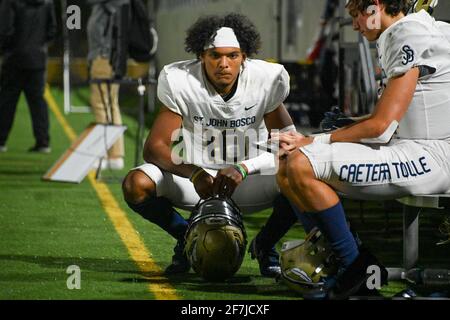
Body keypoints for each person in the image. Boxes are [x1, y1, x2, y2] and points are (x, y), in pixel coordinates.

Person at [275, 0, 450, 299]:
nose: (355, 24)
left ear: (376, 5)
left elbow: (382, 127)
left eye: (357, 14)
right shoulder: (411, 30)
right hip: (412, 145)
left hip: (432, 154)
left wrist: (315, 141)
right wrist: (335, 130)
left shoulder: (407, 33)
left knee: (300, 163)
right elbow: (394, 118)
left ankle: (353, 268)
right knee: (287, 164)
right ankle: (351, 262)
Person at [122, 13, 300, 277]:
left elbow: (289, 144)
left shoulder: (266, 78)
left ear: (245, 57)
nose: (224, 64)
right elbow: (154, 147)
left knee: (301, 173)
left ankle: (265, 244)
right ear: (201, 56)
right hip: (200, 182)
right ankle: (187, 237)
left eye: (233, 56)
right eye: (215, 55)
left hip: (249, 180)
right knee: (136, 184)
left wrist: (243, 168)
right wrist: (194, 173)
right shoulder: (181, 79)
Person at [0, 0, 56, 153]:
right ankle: (43, 141)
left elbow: (5, 30)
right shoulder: (47, 2)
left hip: (14, 59)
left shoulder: (10, 2)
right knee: (38, 101)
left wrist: (6, 50)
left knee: (7, 101)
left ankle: (1, 140)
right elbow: (52, 31)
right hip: (37, 59)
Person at [87, 0, 129, 170]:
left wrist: (99, 54)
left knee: (101, 105)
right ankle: (116, 155)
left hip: (104, 58)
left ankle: (102, 154)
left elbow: (97, 32)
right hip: (115, 58)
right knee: (111, 105)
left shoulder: (106, 6)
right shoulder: (119, 4)